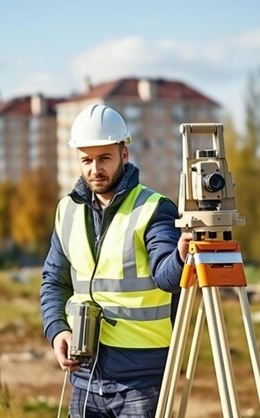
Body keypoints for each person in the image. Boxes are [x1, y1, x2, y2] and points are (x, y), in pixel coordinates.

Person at [40, 103, 192, 417]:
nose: (95, 168)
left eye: (104, 158)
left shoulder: (154, 208)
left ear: (124, 153)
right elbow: (54, 280)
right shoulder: (67, 211)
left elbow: (166, 277)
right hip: (85, 373)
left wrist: (180, 255)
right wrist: (57, 330)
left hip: (141, 378)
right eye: (87, 160)